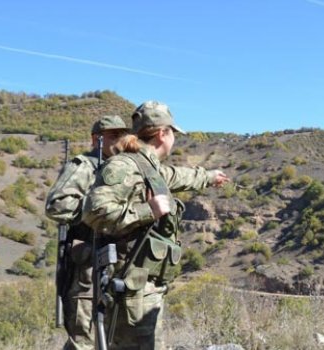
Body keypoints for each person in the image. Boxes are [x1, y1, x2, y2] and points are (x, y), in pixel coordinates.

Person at [82, 101, 229, 349]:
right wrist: (149, 210)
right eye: (173, 133)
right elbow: (94, 211)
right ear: (163, 133)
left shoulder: (149, 167)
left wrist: (210, 176)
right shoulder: (124, 166)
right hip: (130, 291)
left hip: (143, 288)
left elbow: (179, 176)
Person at [45, 115, 129, 350]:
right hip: (88, 267)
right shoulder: (85, 166)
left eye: (122, 134)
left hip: (119, 267)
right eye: (113, 135)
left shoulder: (125, 169)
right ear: (96, 139)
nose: (119, 140)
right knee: (85, 339)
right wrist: (95, 210)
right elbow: (57, 206)